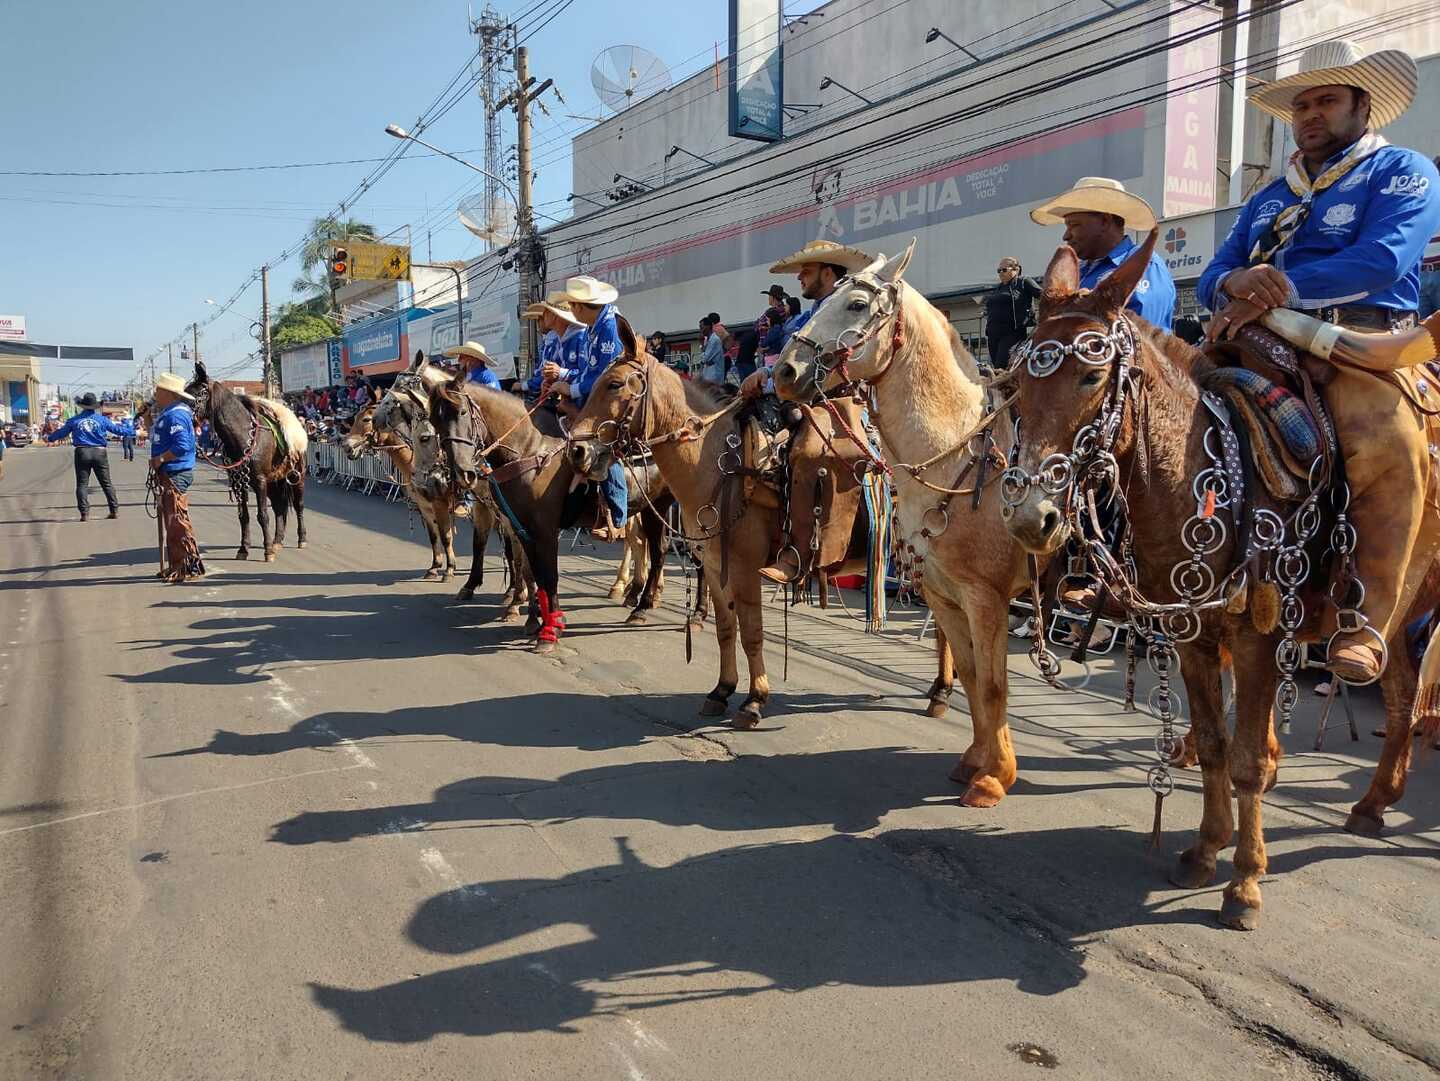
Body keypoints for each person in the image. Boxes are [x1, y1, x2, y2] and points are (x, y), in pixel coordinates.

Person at [1195, 38, 1440, 682]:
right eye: (1300, 105)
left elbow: (1383, 259)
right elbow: (1213, 273)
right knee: (1152, 407)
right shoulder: (1270, 195)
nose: (1308, 115)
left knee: (1385, 439)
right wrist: (1231, 286)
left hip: (1358, 347)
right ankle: (1139, 565)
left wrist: (1281, 286)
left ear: (1365, 107)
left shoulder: (1402, 171)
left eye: (1326, 101)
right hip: (1253, 337)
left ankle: (1367, 623)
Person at [737, 239, 878, 584]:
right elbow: (795, 360)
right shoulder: (814, 313)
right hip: (809, 399)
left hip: (838, 400)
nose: (799, 277)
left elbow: (824, 365)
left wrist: (770, 381)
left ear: (828, 273)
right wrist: (767, 375)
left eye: (807, 271)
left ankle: (797, 553)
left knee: (807, 451)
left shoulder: (845, 308)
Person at [1030, 176, 1177, 331]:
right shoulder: (1079, 271)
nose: (1066, 236)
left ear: (1105, 222)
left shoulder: (1145, 266)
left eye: (1074, 225)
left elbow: (1142, 336)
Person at [548, 275, 630, 542]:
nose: (570, 312)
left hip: (610, 401)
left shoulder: (609, 328)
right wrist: (564, 381)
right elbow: (586, 372)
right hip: (593, 398)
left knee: (600, 445)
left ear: (580, 308)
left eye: (572, 306)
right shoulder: (594, 328)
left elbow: (604, 377)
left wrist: (569, 389)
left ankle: (619, 517)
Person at [144, 373, 205, 582]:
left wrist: (160, 458)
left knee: (176, 520)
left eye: (158, 390)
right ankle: (176, 565)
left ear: (168, 393)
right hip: (168, 472)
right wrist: (146, 418)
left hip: (175, 472)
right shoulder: (167, 413)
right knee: (171, 521)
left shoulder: (176, 415)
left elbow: (182, 445)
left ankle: (185, 566)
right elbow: (155, 436)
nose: (155, 394)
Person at [43, 392, 133, 520]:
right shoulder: (102, 419)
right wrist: (132, 431)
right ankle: (114, 510)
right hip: (99, 452)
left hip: (82, 452)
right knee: (106, 483)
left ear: (83, 406)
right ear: (95, 406)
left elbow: (61, 432)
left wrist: (50, 438)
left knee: (82, 484)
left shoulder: (74, 420)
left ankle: (84, 513)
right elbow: (117, 430)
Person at [983, 257, 1042, 372]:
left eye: (1004, 270)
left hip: (1012, 333)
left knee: (1001, 367)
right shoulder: (998, 288)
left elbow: (1043, 295)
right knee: (996, 368)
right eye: (998, 271)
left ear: (1016, 269)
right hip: (993, 334)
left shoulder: (1023, 282)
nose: (1001, 273)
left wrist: (1042, 314)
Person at [697, 313, 728, 384]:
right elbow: (703, 359)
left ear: (708, 327)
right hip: (708, 373)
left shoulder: (714, 340)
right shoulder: (706, 340)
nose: (700, 330)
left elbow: (704, 359)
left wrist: (701, 345)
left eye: (702, 327)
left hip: (714, 374)